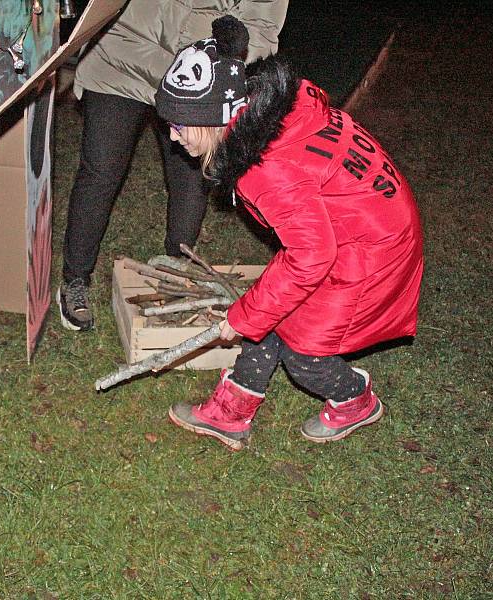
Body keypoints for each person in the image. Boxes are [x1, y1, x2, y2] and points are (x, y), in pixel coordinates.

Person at [153, 16, 424, 447]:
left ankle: (356, 401)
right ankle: (231, 411)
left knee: (304, 352)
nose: (171, 136)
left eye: (180, 124)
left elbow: (312, 256)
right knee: (271, 311)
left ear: (211, 120)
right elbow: (309, 242)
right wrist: (253, 314)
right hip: (353, 228)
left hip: (371, 249)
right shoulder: (267, 115)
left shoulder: (266, 170)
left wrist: (241, 318)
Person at [58, 0, 289, 331]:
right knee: (100, 173)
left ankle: (177, 269)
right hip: (122, 54)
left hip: (197, 74)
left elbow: (262, 28)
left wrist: (219, 60)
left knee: (192, 178)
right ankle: (75, 278)